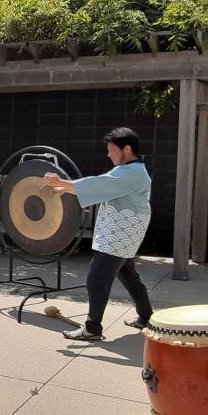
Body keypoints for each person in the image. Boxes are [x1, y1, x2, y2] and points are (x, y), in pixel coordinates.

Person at [43, 127, 153, 341]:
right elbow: (101, 184)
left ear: (127, 149)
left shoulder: (132, 172)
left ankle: (92, 328)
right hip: (124, 233)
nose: (109, 154)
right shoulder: (131, 170)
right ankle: (146, 317)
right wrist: (65, 188)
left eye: (112, 150)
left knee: (97, 276)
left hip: (120, 234)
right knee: (129, 275)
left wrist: (62, 184)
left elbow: (100, 184)